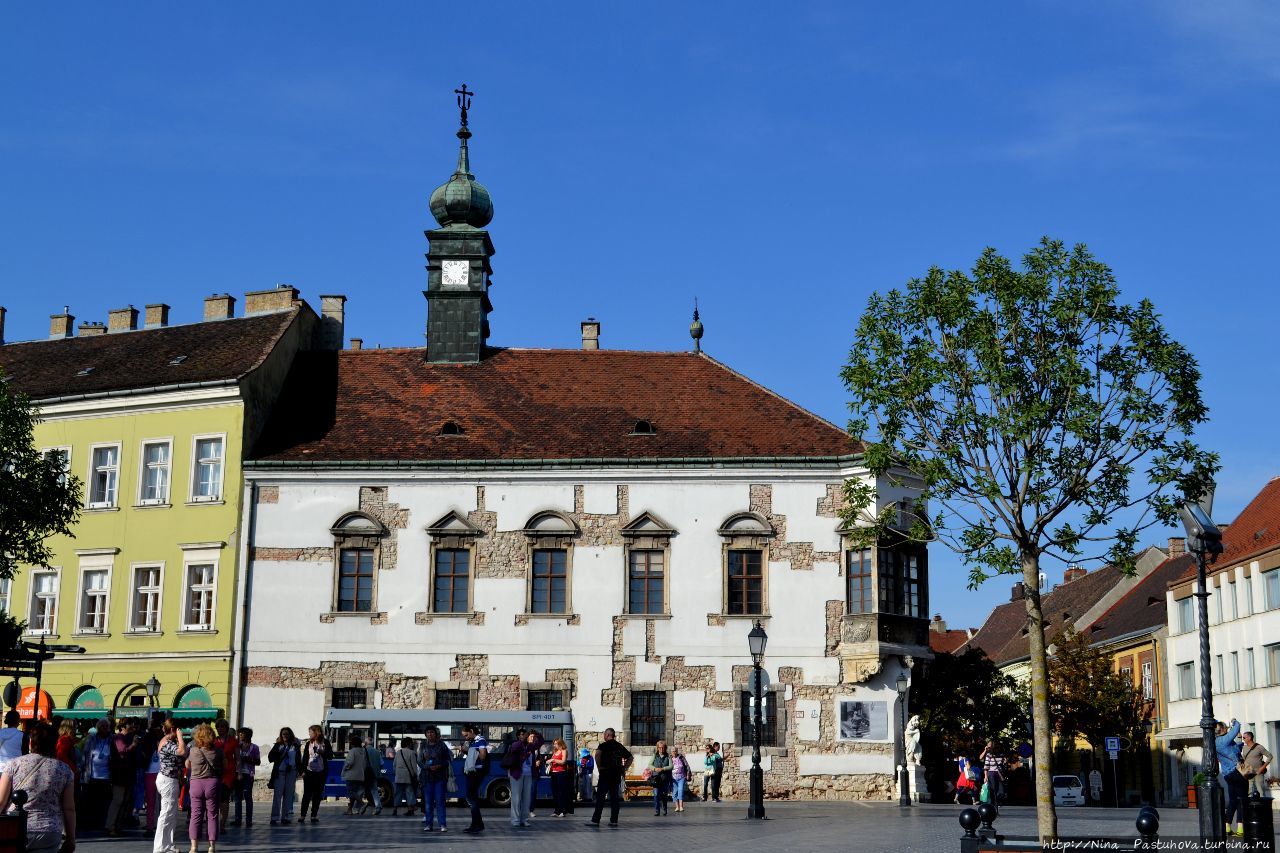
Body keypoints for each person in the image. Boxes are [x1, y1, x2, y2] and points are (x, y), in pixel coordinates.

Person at [0, 720, 76, 853]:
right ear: (54, 743)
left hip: (16, 829)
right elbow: (69, 809)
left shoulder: (13, 765)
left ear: (31, 743)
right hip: (49, 831)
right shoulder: (65, 770)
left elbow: (1, 801)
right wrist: (70, 839)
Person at [186, 723, 224, 853]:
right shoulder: (218, 750)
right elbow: (225, 764)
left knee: (195, 815)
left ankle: (193, 847)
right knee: (212, 815)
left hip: (196, 783)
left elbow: (187, 765)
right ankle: (211, 846)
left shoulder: (193, 750)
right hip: (212, 784)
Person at [585, 728, 632, 828]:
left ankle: (596, 820)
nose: (604, 736)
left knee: (600, 798)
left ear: (607, 735)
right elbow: (630, 757)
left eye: (604, 735)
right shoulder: (619, 746)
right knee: (614, 798)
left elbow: (597, 755)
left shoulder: (603, 745)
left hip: (605, 774)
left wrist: (599, 767)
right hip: (616, 775)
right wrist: (624, 768)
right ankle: (614, 820)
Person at [153, 719, 186, 853]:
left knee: (171, 814)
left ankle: (168, 845)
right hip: (167, 780)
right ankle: (160, 847)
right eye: (177, 729)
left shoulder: (167, 742)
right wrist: (180, 737)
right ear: (173, 729)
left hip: (170, 779)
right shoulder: (167, 743)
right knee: (166, 814)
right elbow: (182, 752)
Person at [105, 718, 139, 837]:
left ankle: (117, 825)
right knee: (118, 800)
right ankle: (110, 825)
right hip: (120, 774)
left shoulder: (127, 737)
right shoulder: (119, 737)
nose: (132, 726)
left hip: (126, 773)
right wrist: (134, 745)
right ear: (124, 726)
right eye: (130, 724)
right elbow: (122, 750)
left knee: (124, 801)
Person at [1216, 719, 1247, 837]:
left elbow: (1236, 749)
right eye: (1226, 728)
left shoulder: (1215, 742)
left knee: (1233, 800)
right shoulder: (1225, 740)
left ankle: (1227, 826)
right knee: (1241, 800)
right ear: (1223, 729)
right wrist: (1235, 722)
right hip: (1237, 772)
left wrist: (1239, 741)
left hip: (1227, 775)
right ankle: (1241, 829)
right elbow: (1237, 727)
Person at [505, 728, 542, 827]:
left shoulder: (531, 746)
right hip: (517, 773)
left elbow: (541, 741)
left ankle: (524, 819)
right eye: (522, 734)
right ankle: (515, 820)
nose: (532, 738)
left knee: (527, 798)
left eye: (525, 734)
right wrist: (525, 753)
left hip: (528, 774)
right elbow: (514, 754)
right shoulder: (516, 744)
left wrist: (536, 733)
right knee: (516, 798)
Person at [81, 718, 113, 830]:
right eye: (102, 726)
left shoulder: (111, 739)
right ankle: (92, 821)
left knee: (105, 801)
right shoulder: (91, 738)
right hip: (92, 775)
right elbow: (85, 755)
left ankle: (102, 821)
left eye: (106, 726)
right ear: (98, 728)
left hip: (106, 776)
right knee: (92, 800)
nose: (104, 728)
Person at [417, 726, 451, 832]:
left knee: (440, 802)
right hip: (427, 778)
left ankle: (442, 824)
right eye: (428, 732)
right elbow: (419, 761)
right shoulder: (423, 745)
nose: (430, 734)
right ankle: (428, 824)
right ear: (425, 734)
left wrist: (439, 765)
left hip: (440, 777)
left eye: (432, 732)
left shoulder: (442, 745)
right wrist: (427, 767)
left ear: (436, 734)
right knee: (428, 802)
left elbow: (448, 759)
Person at [267, 726, 300, 825]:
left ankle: (285, 817)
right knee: (277, 795)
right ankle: (274, 817)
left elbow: (298, 759)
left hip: (291, 772)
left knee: (288, 795)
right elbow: (270, 758)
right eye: (283, 734)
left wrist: (300, 771)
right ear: (281, 735)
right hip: (280, 772)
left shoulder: (295, 746)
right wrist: (279, 752)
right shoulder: (277, 745)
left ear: (290, 735)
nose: (285, 735)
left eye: (287, 734)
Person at [299, 725, 332, 823]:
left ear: (316, 732)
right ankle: (302, 815)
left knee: (317, 795)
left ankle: (314, 815)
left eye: (310, 732)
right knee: (307, 794)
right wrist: (302, 771)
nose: (309, 734)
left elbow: (330, 756)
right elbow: (305, 758)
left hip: (321, 772)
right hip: (309, 772)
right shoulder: (309, 743)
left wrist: (323, 752)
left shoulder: (325, 742)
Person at [460, 723, 489, 834]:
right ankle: (477, 823)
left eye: (466, 735)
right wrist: (467, 751)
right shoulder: (473, 741)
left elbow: (482, 755)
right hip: (472, 771)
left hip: (475, 772)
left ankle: (476, 824)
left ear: (471, 731)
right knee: (472, 797)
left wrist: (472, 752)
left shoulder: (480, 740)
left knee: (471, 798)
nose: (465, 737)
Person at [230, 726, 260, 827]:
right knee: (237, 797)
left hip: (248, 774)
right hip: (238, 773)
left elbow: (258, 761)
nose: (241, 736)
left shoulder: (254, 747)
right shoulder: (236, 746)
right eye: (240, 734)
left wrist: (248, 759)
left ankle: (249, 820)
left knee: (247, 796)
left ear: (249, 736)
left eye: (243, 734)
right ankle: (238, 819)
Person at [341, 732, 371, 815]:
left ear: (353, 743)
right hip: (360, 775)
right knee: (354, 792)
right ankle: (349, 810)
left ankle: (362, 803)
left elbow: (350, 762)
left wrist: (345, 768)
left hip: (351, 775)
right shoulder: (363, 751)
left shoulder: (352, 751)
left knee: (350, 792)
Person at [1239, 731, 1273, 799]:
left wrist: (1262, 768)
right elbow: (1244, 758)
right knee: (1249, 791)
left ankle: (1263, 808)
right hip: (1248, 772)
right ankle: (1250, 808)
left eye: (1244, 737)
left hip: (1258, 772)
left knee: (1261, 792)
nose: (1243, 739)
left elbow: (1270, 756)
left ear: (1249, 738)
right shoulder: (1244, 748)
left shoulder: (1259, 747)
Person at [391, 736, 418, 817]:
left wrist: (396, 773)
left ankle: (395, 809)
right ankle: (410, 809)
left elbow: (394, 765)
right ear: (409, 744)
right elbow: (414, 766)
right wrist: (415, 775)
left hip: (399, 776)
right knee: (409, 793)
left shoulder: (398, 752)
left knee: (398, 793)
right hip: (408, 776)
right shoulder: (412, 753)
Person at [548, 738, 572, 817]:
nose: (554, 745)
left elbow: (563, 761)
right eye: (554, 743)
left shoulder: (564, 751)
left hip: (561, 773)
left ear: (560, 744)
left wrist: (553, 760)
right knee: (555, 792)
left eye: (556, 744)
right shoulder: (555, 751)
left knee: (562, 792)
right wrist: (549, 762)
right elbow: (553, 760)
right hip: (554, 773)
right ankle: (557, 810)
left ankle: (563, 810)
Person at [649, 740, 673, 816]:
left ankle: (665, 809)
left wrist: (663, 769)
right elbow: (649, 765)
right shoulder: (655, 756)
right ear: (657, 748)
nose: (661, 749)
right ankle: (657, 810)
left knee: (664, 795)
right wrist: (655, 769)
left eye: (663, 748)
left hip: (665, 779)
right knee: (656, 795)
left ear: (665, 748)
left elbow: (671, 766)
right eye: (660, 748)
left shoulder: (668, 756)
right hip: (656, 779)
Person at [0, 709, 25, 776]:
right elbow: (25, 754)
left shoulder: (0, 732)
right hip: (15, 769)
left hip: (1, 768)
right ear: (18, 721)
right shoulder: (22, 735)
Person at [362, 737, 383, 815]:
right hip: (373, 774)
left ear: (365, 743)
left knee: (360, 790)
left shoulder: (363, 751)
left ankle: (359, 807)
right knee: (374, 791)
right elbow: (381, 763)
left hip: (364, 774)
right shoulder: (377, 752)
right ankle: (378, 806)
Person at [670, 746, 691, 813]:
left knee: (681, 790)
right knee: (675, 791)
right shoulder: (669, 759)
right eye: (673, 751)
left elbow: (687, 766)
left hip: (681, 777)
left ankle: (681, 806)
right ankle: (677, 806)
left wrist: (688, 774)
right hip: (673, 778)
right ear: (671, 752)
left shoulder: (681, 757)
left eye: (675, 751)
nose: (674, 752)